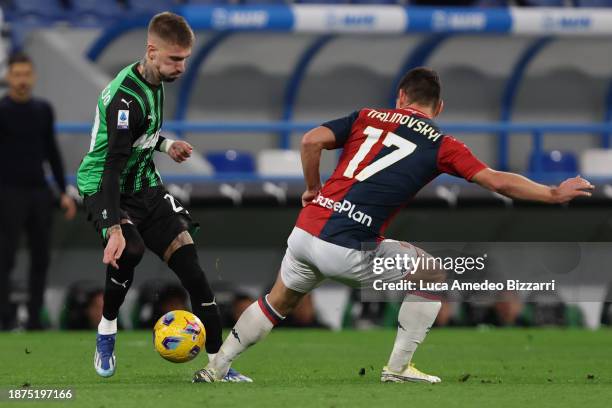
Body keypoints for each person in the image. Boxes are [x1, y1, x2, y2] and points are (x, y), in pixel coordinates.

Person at [193, 67, 594, 384]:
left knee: (279, 300)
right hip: (348, 246)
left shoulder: (366, 115)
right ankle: (399, 369)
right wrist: (553, 193)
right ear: (439, 107)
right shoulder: (441, 142)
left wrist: (313, 188)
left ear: (400, 97)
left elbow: (311, 140)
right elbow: (496, 180)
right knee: (433, 274)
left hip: (304, 233)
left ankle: (216, 367)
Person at [76, 12, 249, 381]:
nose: (181, 67)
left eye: (185, 58)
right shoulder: (125, 100)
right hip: (104, 187)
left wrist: (167, 145)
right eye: (175, 59)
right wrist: (113, 226)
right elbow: (110, 167)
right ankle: (107, 330)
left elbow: (143, 135)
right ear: (152, 51)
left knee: (193, 270)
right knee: (131, 249)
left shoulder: (155, 81)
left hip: (145, 186)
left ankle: (219, 364)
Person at [0, 53, 77, 331]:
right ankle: (5, 318)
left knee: (41, 257)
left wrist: (63, 191)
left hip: (38, 193)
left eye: (26, 74)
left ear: (33, 76)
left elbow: (52, 152)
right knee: (5, 257)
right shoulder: (2, 110)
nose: (22, 80)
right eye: (17, 74)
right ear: (8, 77)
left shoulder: (43, 110)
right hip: (7, 193)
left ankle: (34, 318)